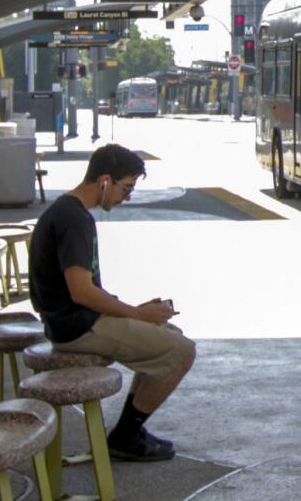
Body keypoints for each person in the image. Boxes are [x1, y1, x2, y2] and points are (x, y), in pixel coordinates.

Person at [28, 144, 195, 462]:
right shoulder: (75, 220)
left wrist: (139, 313)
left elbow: (81, 290)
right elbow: (81, 292)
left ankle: (127, 432)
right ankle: (126, 436)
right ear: (105, 181)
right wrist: (135, 314)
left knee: (168, 332)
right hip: (77, 327)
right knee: (182, 351)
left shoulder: (66, 211)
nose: (127, 197)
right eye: (126, 188)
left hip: (68, 320)